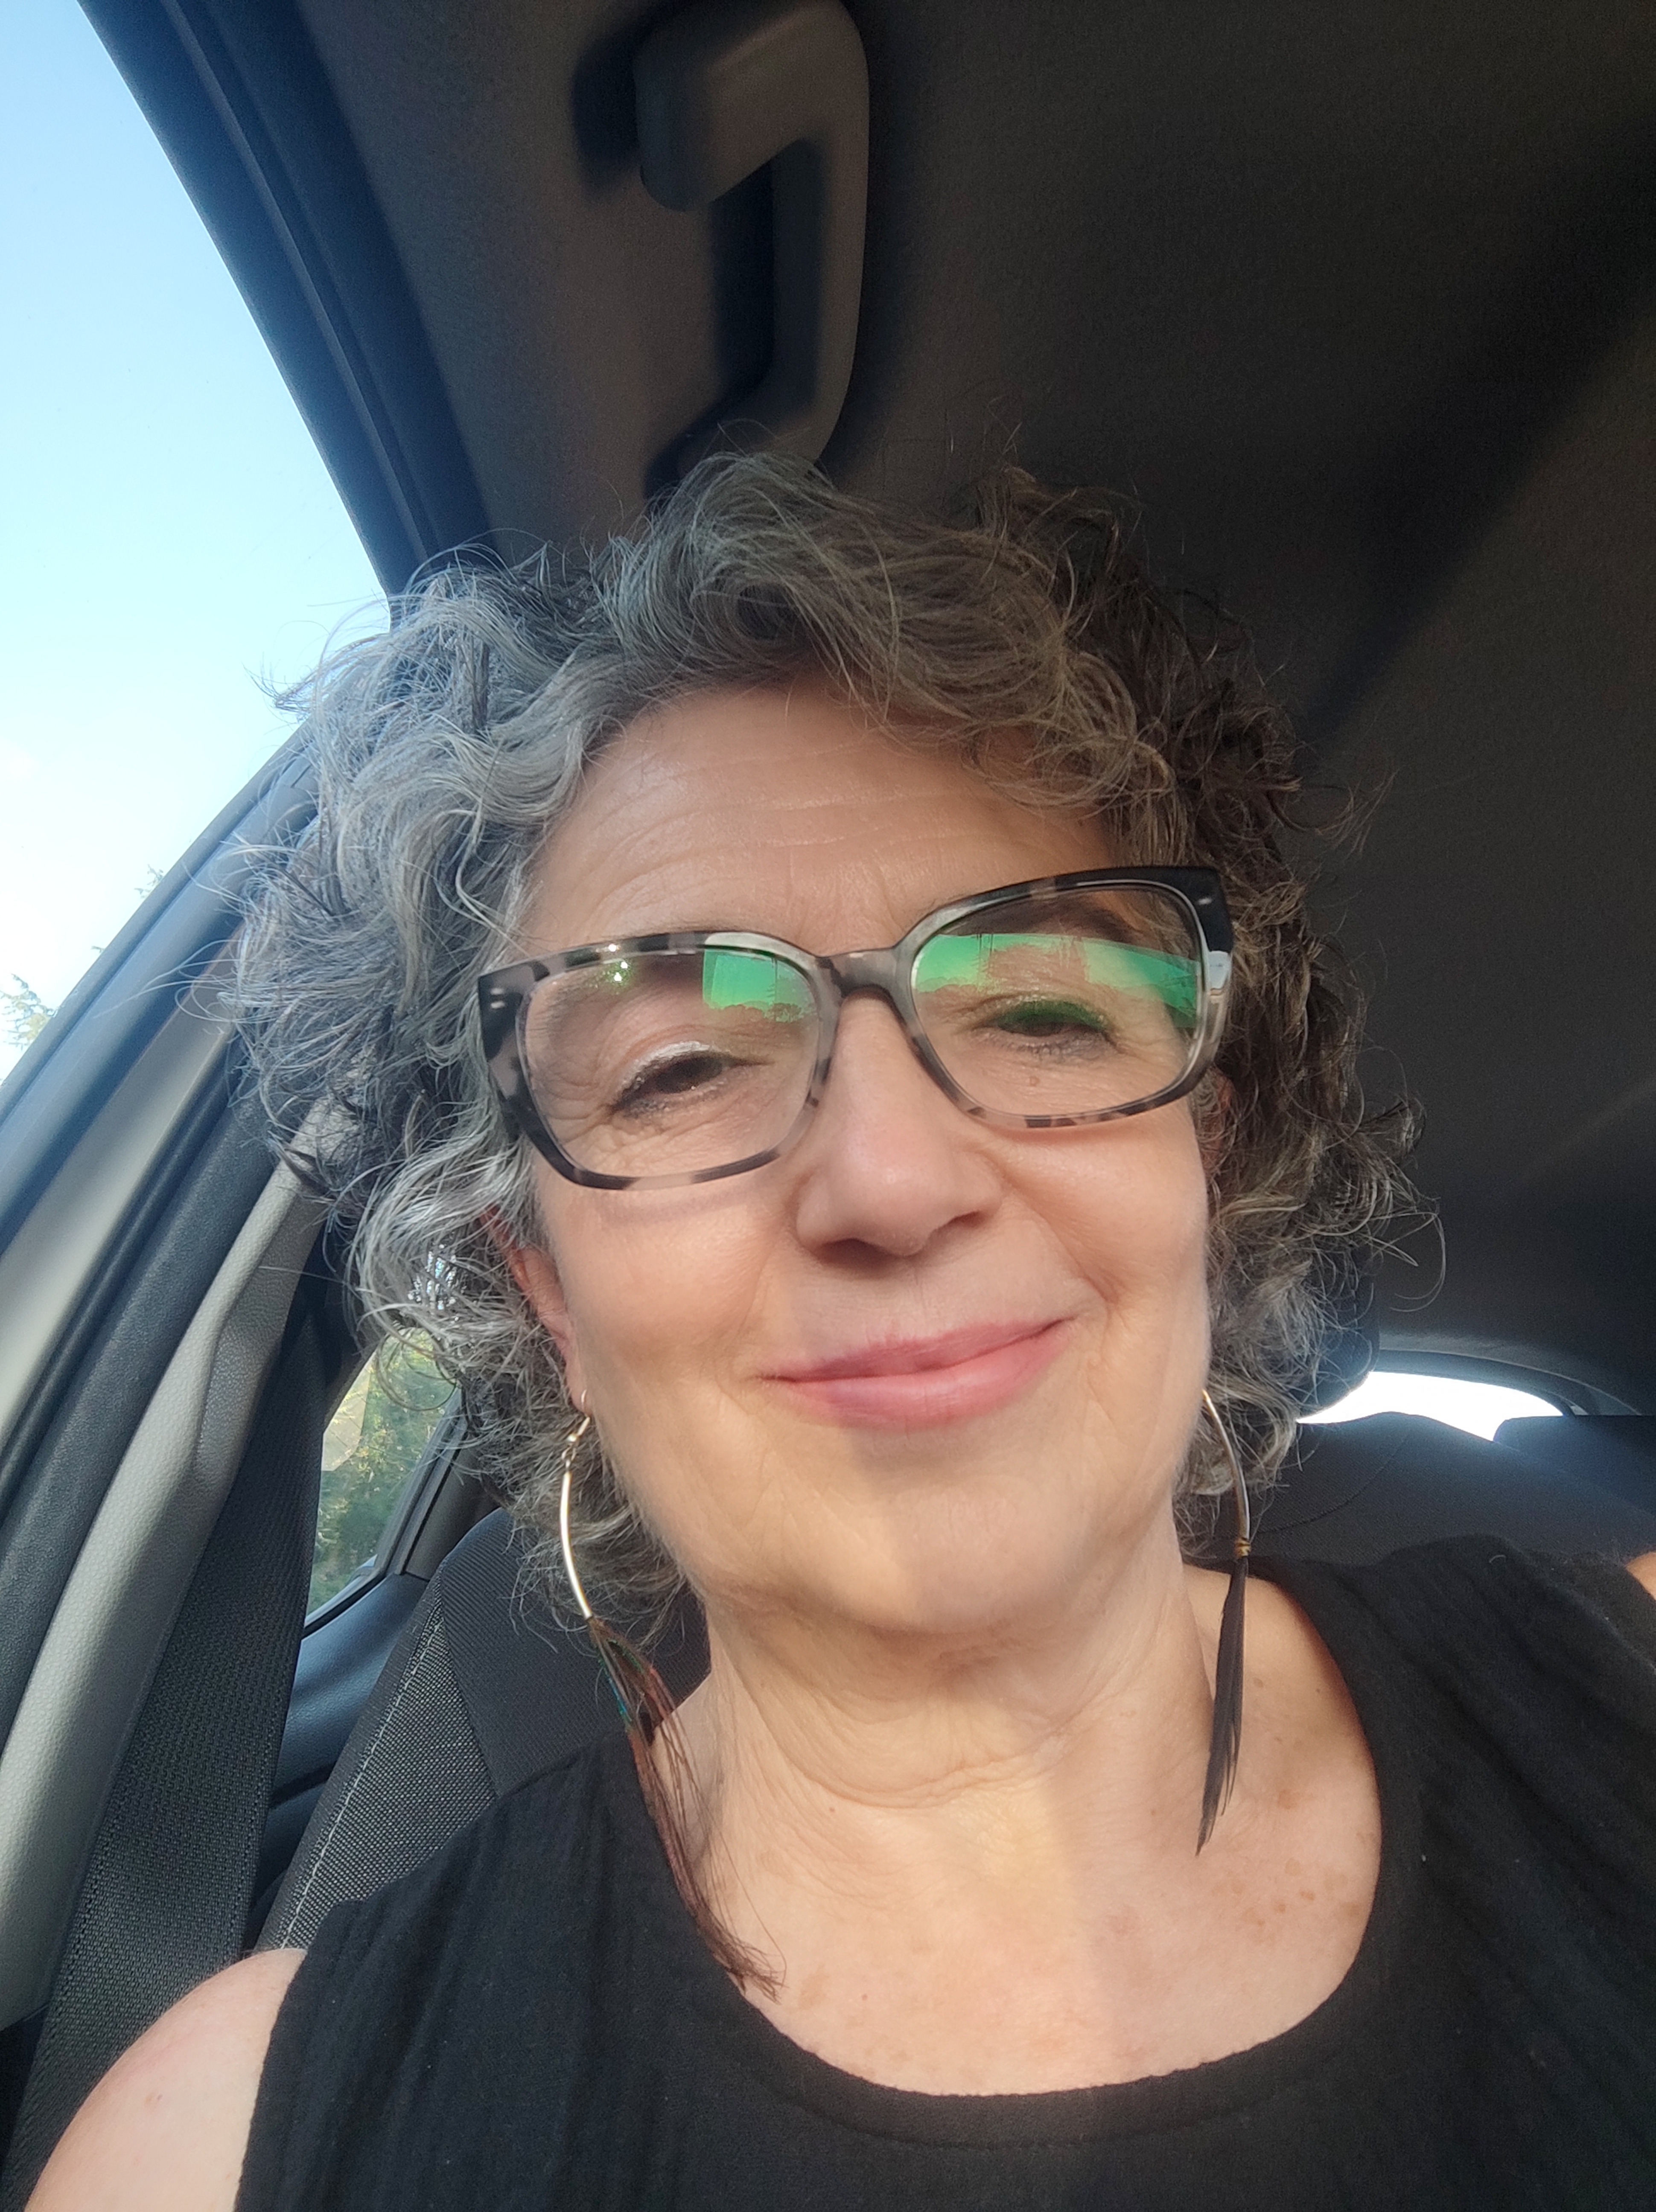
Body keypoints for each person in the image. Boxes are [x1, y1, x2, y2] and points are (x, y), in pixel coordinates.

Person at [30, 458, 1656, 2210]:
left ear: (1207, 1148)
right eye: (682, 1068)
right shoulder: (217, 2148)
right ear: (545, 1290)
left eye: (1042, 1014)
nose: (890, 1178)